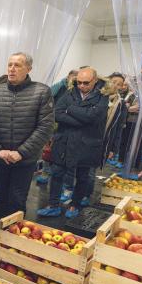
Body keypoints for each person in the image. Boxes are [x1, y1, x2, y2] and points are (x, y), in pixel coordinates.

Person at [0, 52, 54, 250]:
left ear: (28, 69)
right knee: (1, 197)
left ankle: (14, 238)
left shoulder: (41, 92)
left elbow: (45, 127)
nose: (12, 69)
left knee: (17, 198)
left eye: (18, 65)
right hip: (0, 158)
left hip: (25, 159)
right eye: (10, 64)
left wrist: (21, 152)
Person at [37, 67, 109, 219]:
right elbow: (57, 113)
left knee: (82, 176)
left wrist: (70, 109)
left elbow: (94, 117)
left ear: (95, 81)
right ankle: (53, 205)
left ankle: (74, 205)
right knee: (57, 173)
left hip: (87, 144)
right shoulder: (70, 92)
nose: (81, 86)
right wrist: (81, 120)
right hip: (65, 141)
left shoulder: (103, 96)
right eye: (79, 82)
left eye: (86, 83)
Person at [36, 70, 78, 187]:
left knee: (60, 151)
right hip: (52, 122)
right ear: (69, 76)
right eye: (73, 77)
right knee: (48, 150)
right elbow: (46, 100)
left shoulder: (77, 90)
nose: (75, 80)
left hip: (65, 123)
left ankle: (61, 178)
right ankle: (45, 173)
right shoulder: (59, 86)